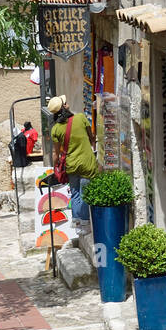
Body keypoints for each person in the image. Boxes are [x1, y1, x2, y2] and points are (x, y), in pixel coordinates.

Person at [47, 94, 97, 231]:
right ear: (64, 107)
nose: (68, 103)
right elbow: (91, 137)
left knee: (75, 194)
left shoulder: (56, 129)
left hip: (71, 164)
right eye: (66, 102)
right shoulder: (80, 118)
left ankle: (77, 223)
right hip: (87, 162)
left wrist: (55, 168)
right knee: (85, 193)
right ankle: (86, 223)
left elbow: (55, 153)